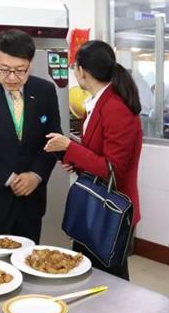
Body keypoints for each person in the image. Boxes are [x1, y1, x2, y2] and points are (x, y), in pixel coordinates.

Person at [44, 40, 142, 280]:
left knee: (111, 278)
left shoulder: (115, 107)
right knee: (90, 272)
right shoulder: (99, 101)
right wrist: (73, 158)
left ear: (81, 70)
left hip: (111, 209)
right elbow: (99, 153)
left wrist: (70, 147)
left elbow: (112, 169)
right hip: (95, 202)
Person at [0, 29, 61, 244]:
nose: (12, 77)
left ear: (30, 64)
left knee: (28, 258)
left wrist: (36, 175)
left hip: (31, 202)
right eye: (4, 70)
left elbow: (53, 140)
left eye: (20, 70)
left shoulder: (44, 91)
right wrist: (9, 178)